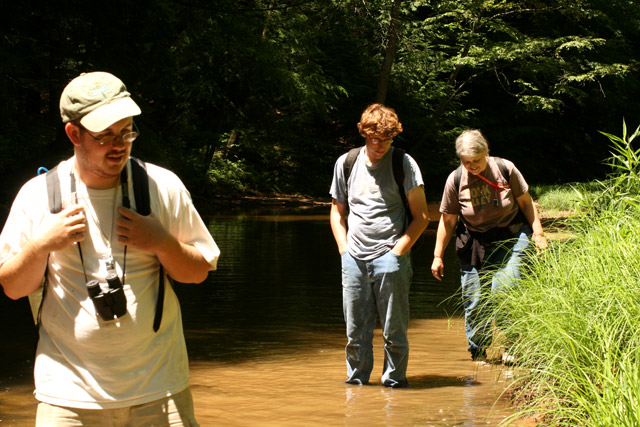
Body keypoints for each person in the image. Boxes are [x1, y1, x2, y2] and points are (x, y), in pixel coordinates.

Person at [0, 71, 220, 426]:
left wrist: (161, 242)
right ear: (74, 133)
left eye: (126, 132)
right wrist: (41, 245)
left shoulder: (162, 187)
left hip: (160, 390)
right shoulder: (37, 195)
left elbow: (197, 273)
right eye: (104, 136)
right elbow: (12, 287)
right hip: (67, 397)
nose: (119, 145)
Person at [329, 103, 429, 388]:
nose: (380, 145)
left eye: (387, 139)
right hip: (354, 259)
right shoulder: (346, 163)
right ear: (364, 134)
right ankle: (356, 389)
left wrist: (397, 252)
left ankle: (394, 387)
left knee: (394, 331)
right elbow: (337, 213)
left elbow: (422, 217)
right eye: (375, 139)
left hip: (390, 256)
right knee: (355, 333)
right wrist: (344, 249)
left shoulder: (404, 164)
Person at [430, 129, 547, 361]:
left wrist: (539, 233)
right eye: (466, 162)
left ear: (486, 153)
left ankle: (512, 346)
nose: (472, 166)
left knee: (504, 289)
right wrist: (437, 255)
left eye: (477, 160)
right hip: (473, 241)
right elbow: (448, 220)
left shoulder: (505, 169)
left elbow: (526, 202)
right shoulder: (455, 180)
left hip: (511, 236)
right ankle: (479, 353)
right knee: (474, 299)